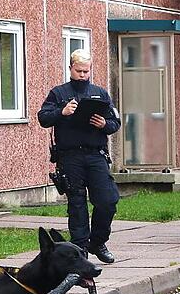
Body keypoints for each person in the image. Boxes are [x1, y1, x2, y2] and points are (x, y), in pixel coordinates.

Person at [37, 50, 121, 263]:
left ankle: (98, 241)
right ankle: (80, 248)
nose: (83, 75)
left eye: (86, 71)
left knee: (108, 200)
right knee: (76, 204)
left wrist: (104, 124)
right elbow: (43, 117)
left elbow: (115, 122)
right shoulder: (58, 93)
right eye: (79, 71)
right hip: (70, 156)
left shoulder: (100, 93)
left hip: (95, 154)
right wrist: (62, 112)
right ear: (70, 69)